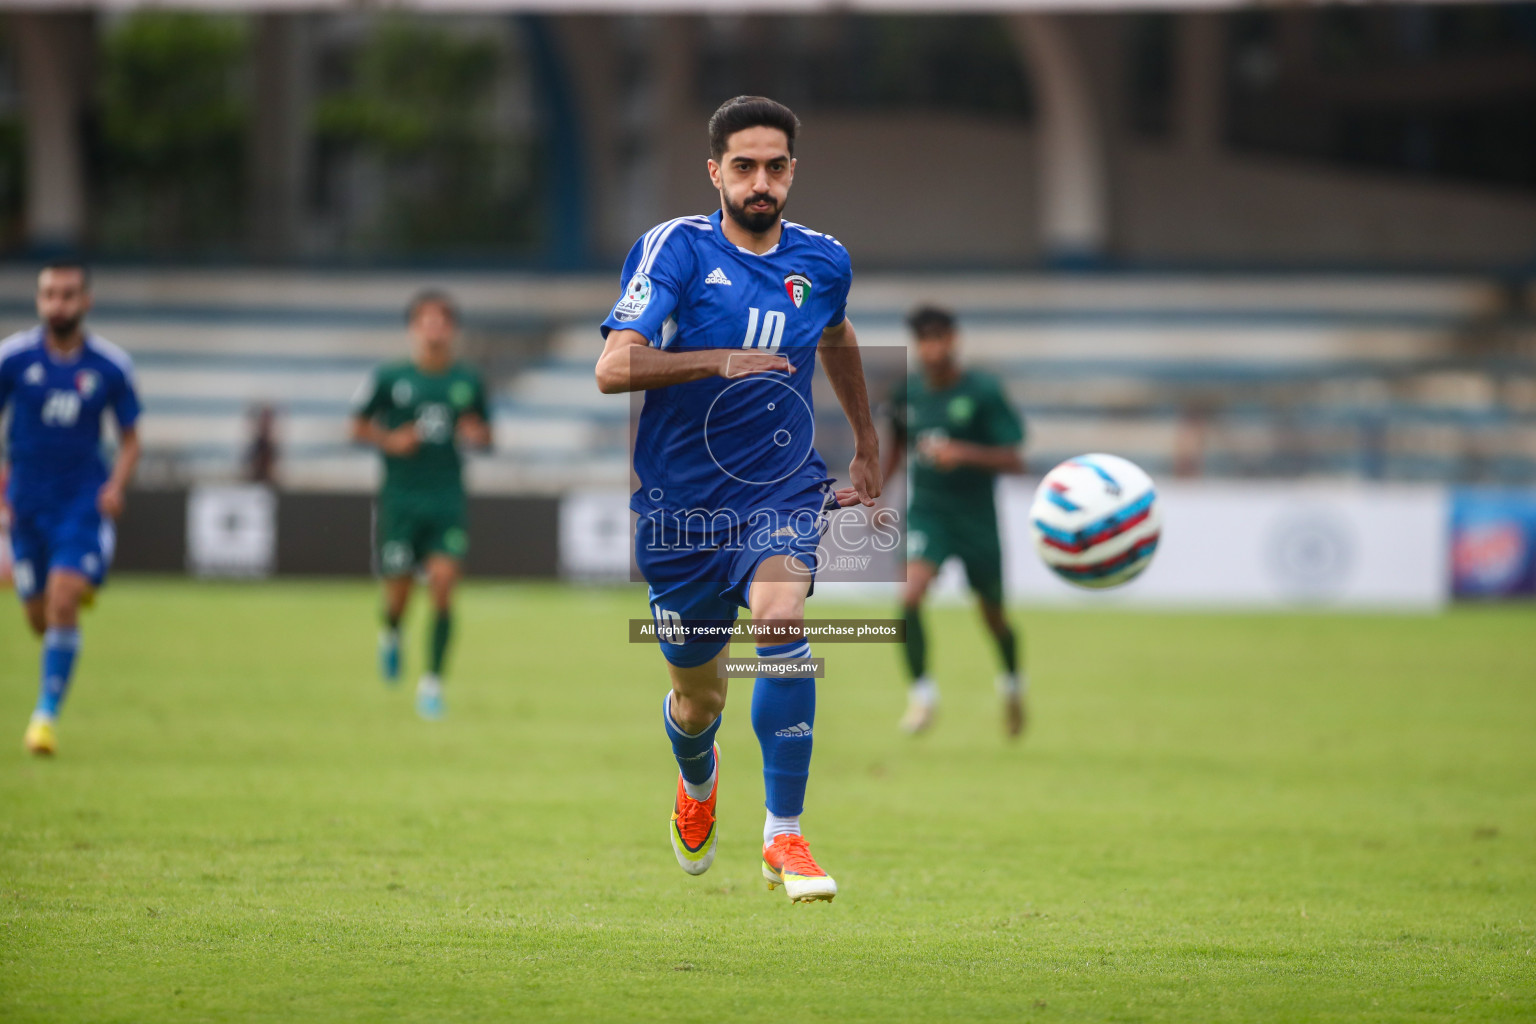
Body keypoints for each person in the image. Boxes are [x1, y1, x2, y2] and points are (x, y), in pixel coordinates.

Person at [594, 96, 880, 903]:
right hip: (681, 507)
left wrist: (864, 439)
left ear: (794, 171)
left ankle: (783, 836)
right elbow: (613, 369)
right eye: (745, 166)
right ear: (715, 170)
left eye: (776, 167)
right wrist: (716, 360)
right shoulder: (676, 250)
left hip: (779, 487)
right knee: (698, 698)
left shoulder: (824, 260)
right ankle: (697, 772)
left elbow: (837, 333)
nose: (762, 182)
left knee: (782, 618)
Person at [0, 262, 142, 756]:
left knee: (62, 600)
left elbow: (130, 439)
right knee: (39, 619)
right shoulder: (13, 360)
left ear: (86, 302)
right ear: (39, 301)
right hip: (26, 505)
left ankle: (44, 718)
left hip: (81, 499)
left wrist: (116, 487)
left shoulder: (110, 366)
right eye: (49, 295)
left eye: (67, 294)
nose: (57, 304)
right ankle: (75, 585)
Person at [883, 306, 1027, 737]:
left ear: (953, 340)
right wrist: (877, 498)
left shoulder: (982, 391)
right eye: (924, 340)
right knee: (909, 597)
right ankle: (923, 698)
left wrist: (963, 453)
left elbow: (1015, 458)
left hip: (976, 517)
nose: (932, 348)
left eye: (939, 338)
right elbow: (896, 447)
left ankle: (1013, 684)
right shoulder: (906, 394)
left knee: (993, 616)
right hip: (928, 511)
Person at [350, 291, 490, 720]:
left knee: (444, 585)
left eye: (441, 321)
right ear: (414, 327)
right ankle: (391, 632)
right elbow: (357, 426)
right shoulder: (391, 378)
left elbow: (485, 435)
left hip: (446, 498)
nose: (434, 329)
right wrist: (390, 440)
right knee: (399, 592)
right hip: (401, 500)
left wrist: (476, 435)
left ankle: (431, 684)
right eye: (426, 321)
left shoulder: (467, 381)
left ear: (451, 329)